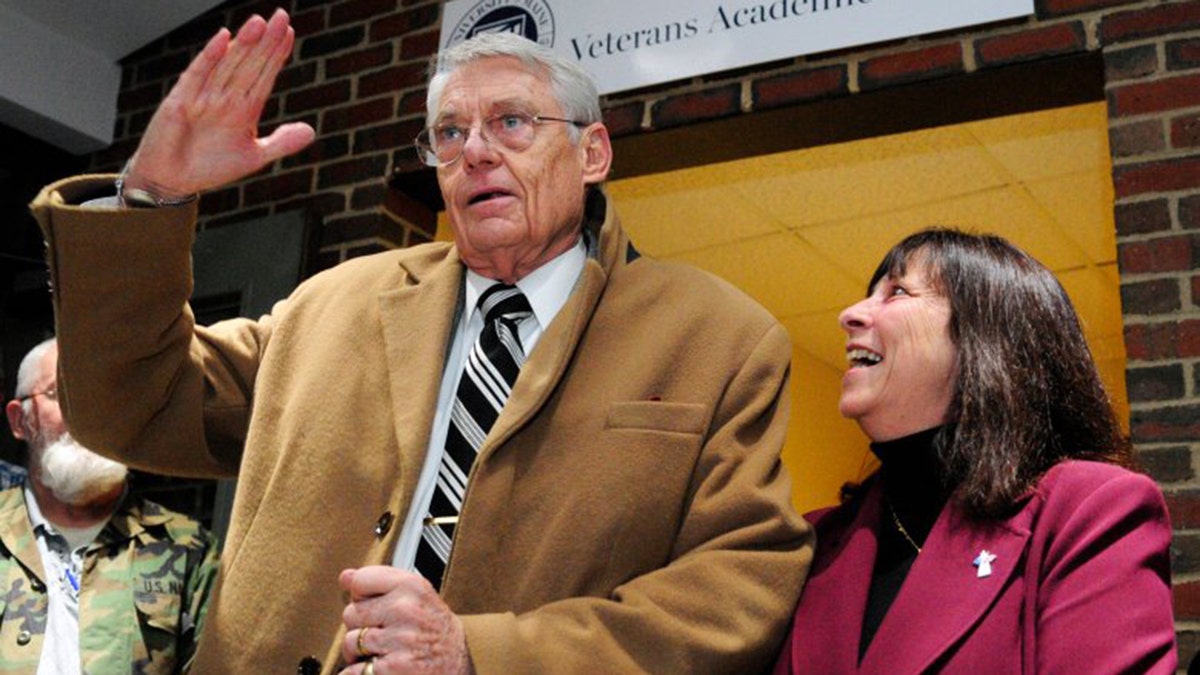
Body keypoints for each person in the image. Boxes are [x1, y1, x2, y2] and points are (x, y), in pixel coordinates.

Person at [29, 9, 811, 675]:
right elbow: (132, 401)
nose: (475, 151)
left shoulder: (718, 339)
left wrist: (482, 652)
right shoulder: (332, 304)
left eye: (511, 122)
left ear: (592, 152)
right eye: (449, 132)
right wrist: (151, 197)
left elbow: (739, 587)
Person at [771, 228, 1176, 673]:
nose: (850, 315)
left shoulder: (1089, 510)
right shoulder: (811, 542)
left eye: (897, 291)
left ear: (984, 339)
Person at [2, 338, 220, 674]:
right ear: (20, 421)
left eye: (108, 395)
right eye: (62, 394)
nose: (90, 413)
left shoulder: (188, 548)